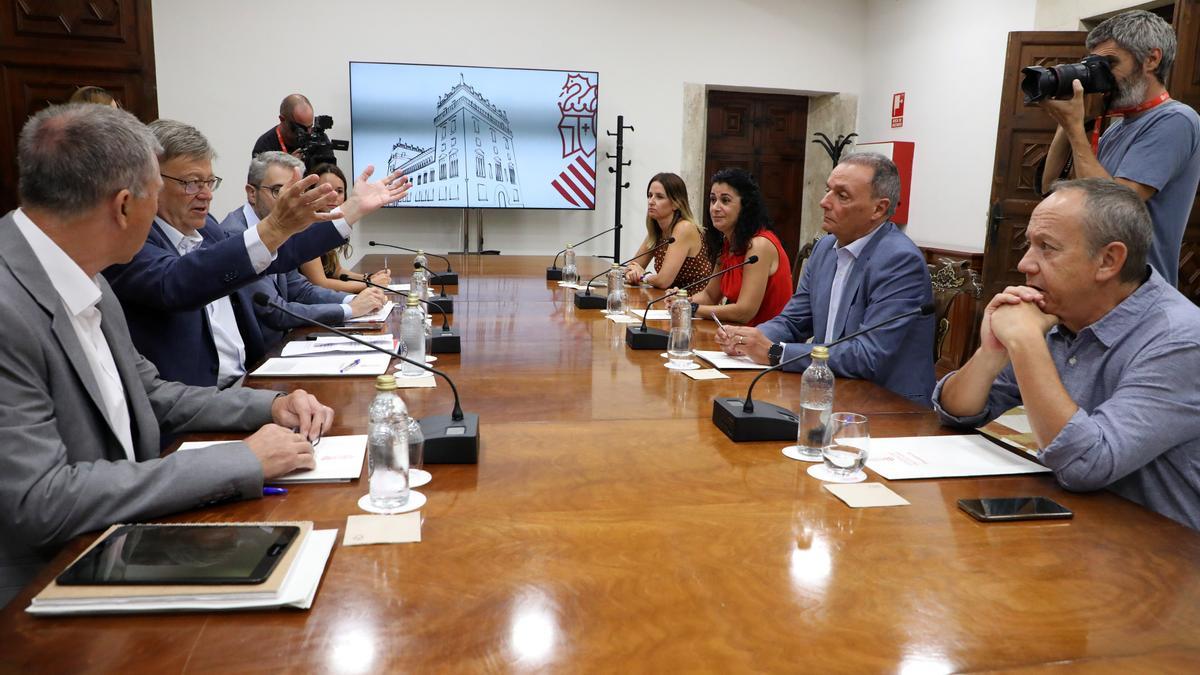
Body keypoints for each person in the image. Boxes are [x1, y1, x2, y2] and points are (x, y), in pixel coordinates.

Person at [0, 103, 334, 607]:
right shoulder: (8, 306)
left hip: (120, 543)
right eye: (159, 195)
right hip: (38, 591)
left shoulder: (85, 273)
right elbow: (41, 501)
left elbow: (151, 393)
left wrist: (271, 406)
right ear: (124, 206)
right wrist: (240, 460)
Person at [934, 178, 1200, 530]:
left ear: (1108, 260)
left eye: (1047, 248)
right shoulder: (1060, 314)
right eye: (1030, 245)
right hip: (1072, 528)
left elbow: (1087, 465)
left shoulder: (1180, 340)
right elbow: (956, 413)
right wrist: (990, 353)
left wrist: (1026, 342)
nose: (1026, 264)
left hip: (1159, 556)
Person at [103, 119, 409, 388]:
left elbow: (279, 255)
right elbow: (178, 281)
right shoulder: (130, 244)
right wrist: (276, 226)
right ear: (150, 183)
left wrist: (351, 210)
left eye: (209, 182)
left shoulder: (206, 228)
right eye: (191, 183)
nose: (206, 194)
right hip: (198, 403)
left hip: (249, 376)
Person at [716, 153, 935, 406]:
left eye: (842, 196)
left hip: (889, 405)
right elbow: (794, 321)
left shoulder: (899, 260)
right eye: (827, 190)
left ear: (879, 208)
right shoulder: (824, 248)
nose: (823, 202)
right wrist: (747, 339)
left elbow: (867, 355)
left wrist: (776, 352)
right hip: (831, 389)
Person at [1039, 9, 1200, 286]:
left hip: (1135, 293)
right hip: (1095, 287)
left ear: (1151, 59)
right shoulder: (1117, 126)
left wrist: (1077, 130)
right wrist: (1066, 124)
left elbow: (1113, 206)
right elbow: (1050, 186)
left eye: (1110, 64)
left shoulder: (1176, 120)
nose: (1102, 77)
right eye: (1095, 66)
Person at [219, 152, 387, 348]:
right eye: (277, 191)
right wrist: (348, 309)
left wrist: (354, 300)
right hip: (254, 360)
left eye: (295, 193)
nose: (288, 201)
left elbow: (300, 290)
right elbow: (274, 312)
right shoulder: (235, 235)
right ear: (251, 193)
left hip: (283, 345)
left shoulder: (280, 228)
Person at [688, 168, 792, 326]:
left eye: (725, 200)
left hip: (767, 342)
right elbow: (710, 295)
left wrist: (692, 308)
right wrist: (681, 301)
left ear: (745, 206)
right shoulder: (728, 243)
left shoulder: (759, 244)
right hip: (737, 336)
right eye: (712, 199)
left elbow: (744, 312)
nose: (715, 207)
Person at [298, 163, 390, 294]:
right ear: (311, 192)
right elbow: (320, 283)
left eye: (339, 191)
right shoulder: (305, 228)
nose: (334, 196)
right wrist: (369, 285)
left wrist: (368, 278)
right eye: (326, 190)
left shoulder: (328, 225)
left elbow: (336, 271)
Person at [623, 172, 718, 290]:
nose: (651, 201)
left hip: (693, 303)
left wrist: (644, 276)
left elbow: (663, 281)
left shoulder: (684, 228)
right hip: (668, 301)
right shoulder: (657, 231)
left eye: (659, 197)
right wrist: (632, 273)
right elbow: (632, 267)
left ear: (676, 204)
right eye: (650, 195)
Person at [252, 93, 314, 158]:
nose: (308, 133)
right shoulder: (264, 147)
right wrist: (289, 165)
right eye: (301, 128)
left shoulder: (318, 139)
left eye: (310, 126)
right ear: (282, 119)